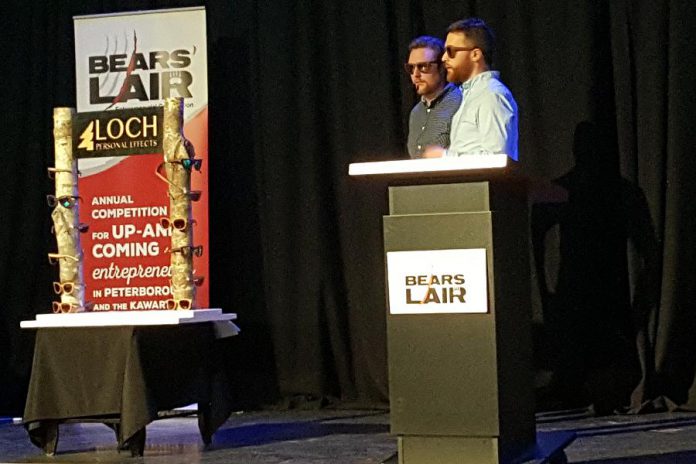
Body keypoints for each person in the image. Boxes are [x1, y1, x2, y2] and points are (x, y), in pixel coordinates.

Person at [422, 18, 518, 161]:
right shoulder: (467, 96)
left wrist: (445, 156)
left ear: (475, 55)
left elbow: (498, 159)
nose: (443, 58)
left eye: (450, 51)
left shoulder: (491, 95)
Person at [405, 36, 462, 158]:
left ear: (442, 67)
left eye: (423, 66)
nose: (416, 75)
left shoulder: (460, 101)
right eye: (411, 68)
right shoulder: (416, 112)